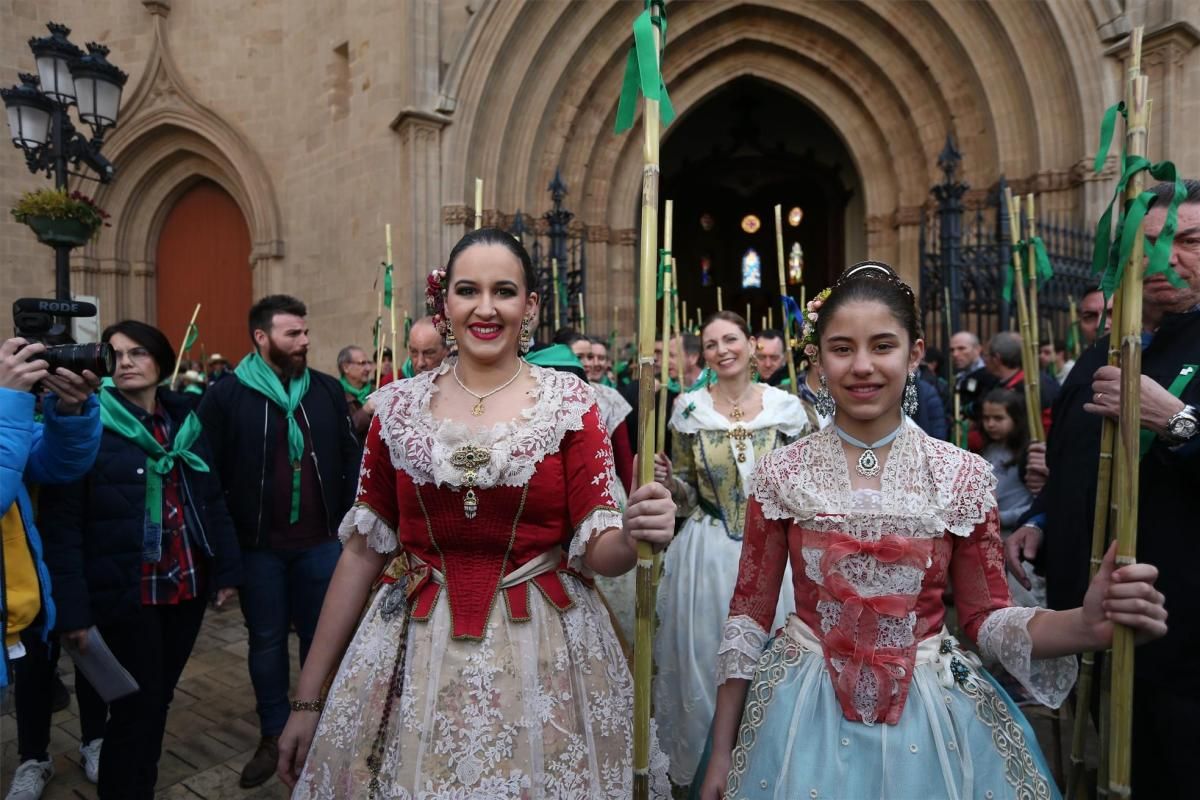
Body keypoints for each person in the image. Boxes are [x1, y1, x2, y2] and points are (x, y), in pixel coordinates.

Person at [697, 261, 1169, 800]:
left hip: (930, 711)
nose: (862, 366)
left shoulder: (960, 475)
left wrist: (1086, 623)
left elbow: (987, 618)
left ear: (914, 353)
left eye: (882, 346)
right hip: (800, 708)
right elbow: (748, 616)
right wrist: (721, 750)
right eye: (842, 348)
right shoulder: (781, 473)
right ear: (819, 360)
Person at [276, 227, 674, 797]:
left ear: (530, 305)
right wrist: (308, 699)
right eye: (469, 290)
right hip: (411, 649)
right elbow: (361, 553)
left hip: (544, 646)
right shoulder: (397, 409)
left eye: (504, 291)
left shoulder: (571, 405)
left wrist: (636, 532)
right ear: (446, 304)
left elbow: (601, 550)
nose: (486, 309)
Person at [1005, 179, 1200, 795]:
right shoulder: (1109, 349)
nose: (1166, 258)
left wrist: (1177, 421)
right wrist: (1038, 517)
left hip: (1186, 639)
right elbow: (1073, 461)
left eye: (1188, 240)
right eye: (1150, 245)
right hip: (1101, 624)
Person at [39, 320, 242, 800]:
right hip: (125, 592)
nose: (126, 362)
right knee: (135, 708)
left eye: (138, 353)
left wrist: (227, 570)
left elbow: (211, 499)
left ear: (160, 361)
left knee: (157, 701)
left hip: (184, 586)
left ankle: (139, 787)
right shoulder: (84, 423)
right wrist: (73, 609)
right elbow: (61, 527)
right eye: (115, 354)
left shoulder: (185, 422)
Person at [198, 295, 361, 789]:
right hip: (259, 551)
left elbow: (351, 461)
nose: (304, 341)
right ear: (262, 338)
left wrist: (353, 525)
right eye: (293, 334)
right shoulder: (226, 397)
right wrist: (225, 560)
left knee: (324, 639)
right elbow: (207, 477)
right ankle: (272, 734)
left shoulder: (328, 392)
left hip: (321, 545)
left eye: (306, 332)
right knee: (266, 642)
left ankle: (323, 729)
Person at [651, 311, 808, 789]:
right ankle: (707, 765)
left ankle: (772, 762)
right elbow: (688, 495)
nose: (722, 349)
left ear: (750, 344)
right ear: (704, 355)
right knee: (706, 656)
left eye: (731, 339)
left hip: (774, 554)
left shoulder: (787, 408)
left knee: (774, 657)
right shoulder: (689, 410)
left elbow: (806, 485)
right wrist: (665, 483)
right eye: (712, 343)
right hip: (708, 554)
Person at [2, 338, 102, 800]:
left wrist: (71, 414)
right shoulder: (8, 407)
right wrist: (12, 402)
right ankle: (32, 757)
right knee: (34, 683)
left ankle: (88, 742)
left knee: (57, 666)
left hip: (26, 589)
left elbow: (56, 464)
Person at [979, 388, 1042, 607]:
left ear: (1016, 419)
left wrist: (998, 516)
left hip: (1019, 537)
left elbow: (1035, 502)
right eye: (986, 418)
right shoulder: (990, 450)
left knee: (1026, 595)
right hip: (994, 536)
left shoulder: (1028, 456)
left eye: (998, 418)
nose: (991, 424)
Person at [335, 345, 374, 443]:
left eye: (368, 363)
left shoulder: (374, 390)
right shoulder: (336, 395)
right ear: (346, 367)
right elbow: (341, 431)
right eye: (362, 363)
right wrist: (364, 412)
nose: (368, 368)